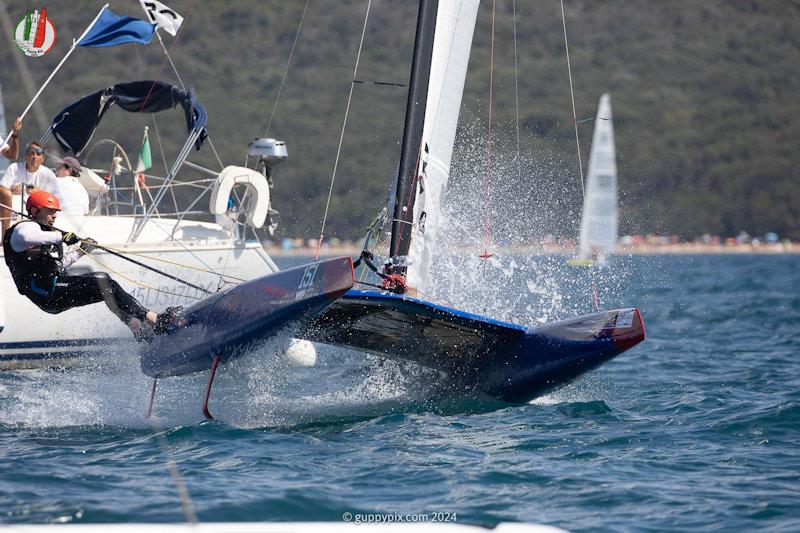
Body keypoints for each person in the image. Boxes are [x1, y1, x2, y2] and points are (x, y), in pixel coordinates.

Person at [2, 190, 179, 341]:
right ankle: (155, 320)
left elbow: (58, 266)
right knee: (104, 283)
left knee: (105, 287)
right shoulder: (23, 229)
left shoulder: (43, 233)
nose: (54, 216)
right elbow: (26, 237)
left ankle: (139, 329)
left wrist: (81, 251)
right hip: (46, 292)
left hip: (52, 291)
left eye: (55, 212)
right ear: (35, 210)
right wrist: (60, 237)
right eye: (50, 211)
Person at [0, 140, 57, 238]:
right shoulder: (14, 168)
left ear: (43, 158)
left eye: (38, 154)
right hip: (13, 209)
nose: (34, 157)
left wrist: (38, 192)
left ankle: (42, 233)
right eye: (31, 153)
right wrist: (10, 190)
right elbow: (2, 189)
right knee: (5, 193)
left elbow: (53, 198)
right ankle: (6, 235)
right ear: (26, 156)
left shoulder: (49, 174)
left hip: (37, 210)